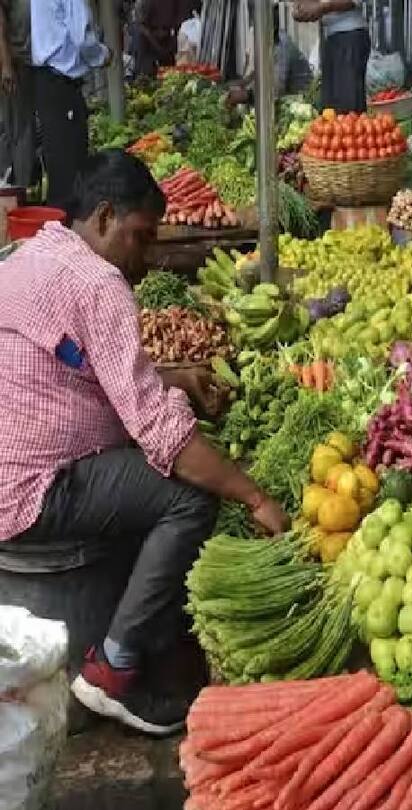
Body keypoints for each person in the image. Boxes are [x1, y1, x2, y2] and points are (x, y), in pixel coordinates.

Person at [0, 151, 290, 736]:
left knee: (150, 480)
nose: (145, 257)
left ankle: (145, 636)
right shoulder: (98, 281)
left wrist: (172, 380)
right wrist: (255, 496)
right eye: (140, 237)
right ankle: (113, 668)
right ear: (105, 217)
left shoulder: (30, 256)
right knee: (188, 495)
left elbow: (77, 368)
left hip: (12, 471)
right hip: (33, 489)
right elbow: (168, 440)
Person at [30, 0, 110, 209]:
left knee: (58, 159)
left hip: (47, 80)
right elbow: (82, 38)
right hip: (61, 81)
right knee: (69, 163)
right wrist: (102, 55)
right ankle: (65, 227)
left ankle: (59, 226)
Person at [292, 0, 369, 114]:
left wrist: (321, 7)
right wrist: (303, 8)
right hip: (330, 36)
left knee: (348, 108)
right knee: (331, 108)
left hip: (349, 35)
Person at [226, 13, 314, 107]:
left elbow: (275, 90)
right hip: (285, 97)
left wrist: (247, 95)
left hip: (300, 101)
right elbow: (257, 71)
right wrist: (242, 83)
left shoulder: (282, 48)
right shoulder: (267, 42)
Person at [0, 0, 34, 188]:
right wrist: (6, 64)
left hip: (21, 62)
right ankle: (19, 188)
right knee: (19, 129)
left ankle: (16, 186)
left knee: (16, 128)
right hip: (15, 63)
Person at [132, 0, 184, 78]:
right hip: (147, 42)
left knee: (169, 74)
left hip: (167, 40)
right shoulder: (144, 3)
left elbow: (178, 22)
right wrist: (155, 43)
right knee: (146, 75)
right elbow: (141, 26)